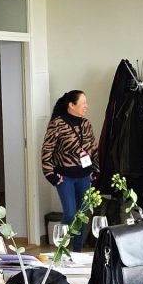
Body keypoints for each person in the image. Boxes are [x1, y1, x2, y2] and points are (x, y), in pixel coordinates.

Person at [41, 90, 98, 252]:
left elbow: (93, 148)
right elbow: (47, 150)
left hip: (84, 175)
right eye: (83, 103)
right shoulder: (57, 123)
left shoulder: (86, 124)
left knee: (83, 215)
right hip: (64, 176)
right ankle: (62, 248)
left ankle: (77, 252)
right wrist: (50, 174)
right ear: (71, 105)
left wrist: (95, 169)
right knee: (70, 214)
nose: (86, 106)